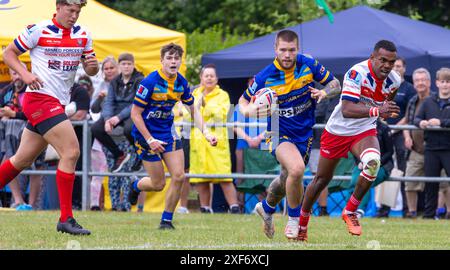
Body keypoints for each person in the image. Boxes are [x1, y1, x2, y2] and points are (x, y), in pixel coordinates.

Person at [0, 0, 99, 235]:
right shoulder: (39, 30)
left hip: (57, 103)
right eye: (70, 10)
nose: (74, 15)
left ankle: (65, 219)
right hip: (40, 100)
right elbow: (9, 53)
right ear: (58, 7)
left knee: (22, 160)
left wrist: (93, 67)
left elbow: (91, 69)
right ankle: (66, 219)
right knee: (71, 151)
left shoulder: (83, 35)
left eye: (78, 11)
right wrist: (24, 74)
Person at [239, 29, 341, 240]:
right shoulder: (266, 76)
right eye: (283, 50)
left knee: (288, 177)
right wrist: (251, 111)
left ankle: (267, 208)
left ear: (298, 49)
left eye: (291, 50)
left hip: (304, 132)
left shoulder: (308, 65)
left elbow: (335, 84)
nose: (287, 55)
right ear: (275, 49)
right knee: (297, 169)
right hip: (278, 131)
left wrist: (324, 92)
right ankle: (294, 220)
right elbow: (242, 103)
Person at [298, 40, 401, 241]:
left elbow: (387, 104)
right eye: (383, 60)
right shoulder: (356, 73)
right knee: (321, 180)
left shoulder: (394, 80)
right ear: (372, 58)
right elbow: (346, 110)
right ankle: (301, 223)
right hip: (338, 130)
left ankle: (351, 210)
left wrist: (385, 112)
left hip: (364, 130)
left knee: (373, 163)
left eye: (391, 62)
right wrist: (377, 110)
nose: (387, 65)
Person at [127, 43, 217, 229]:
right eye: (169, 58)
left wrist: (207, 133)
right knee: (158, 184)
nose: (173, 61)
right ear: (161, 61)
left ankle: (166, 220)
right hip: (146, 136)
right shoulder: (149, 82)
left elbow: (193, 109)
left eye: (177, 58)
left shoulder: (181, 83)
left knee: (179, 175)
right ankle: (135, 186)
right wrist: (150, 140)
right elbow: (135, 114)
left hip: (168, 133)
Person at [189, 64, 240, 214]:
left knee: (224, 177)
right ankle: (205, 208)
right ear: (201, 78)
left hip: (217, 142)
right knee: (202, 178)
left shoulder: (223, 95)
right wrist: (197, 107)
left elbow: (223, 114)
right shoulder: (194, 94)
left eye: (212, 76)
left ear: (217, 79)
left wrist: (205, 106)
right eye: (206, 75)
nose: (209, 78)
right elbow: (187, 115)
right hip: (198, 141)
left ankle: (234, 207)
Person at [0, 65, 46, 210]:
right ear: (11, 75)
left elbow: (39, 112)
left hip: (34, 131)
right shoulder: (6, 91)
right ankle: (19, 201)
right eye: (15, 73)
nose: (18, 76)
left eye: (20, 73)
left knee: (36, 166)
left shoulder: (35, 88)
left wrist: (14, 115)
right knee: (7, 162)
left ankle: (31, 204)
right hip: (9, 135)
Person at [91, 53, 144, 173]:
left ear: (133, 65)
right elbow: (109, 102)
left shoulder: (140, 80)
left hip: (134, 111)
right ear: (120, 66)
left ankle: (140, 154)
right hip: (116, 112)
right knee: (96, 129)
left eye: (129, 64)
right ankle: (119, 155)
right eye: (123, 64)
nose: (126, 67)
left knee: (129, 129)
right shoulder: (115, 81)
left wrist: (118, 117)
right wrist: (107, 119)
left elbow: (137, 103)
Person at [414, 67, 450, 219]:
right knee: (430, 184)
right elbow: (415, 119)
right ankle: (429, 215)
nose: (445, 85)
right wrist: (421, 122)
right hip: (431, 149)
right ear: (436, 83)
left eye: (448, 82)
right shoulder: (428, 101)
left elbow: (443, 122)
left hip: (448, 148)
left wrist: (441, 122)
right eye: (442, 81)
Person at [403, 68, 431, 218]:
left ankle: (442, 212)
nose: (420, 83)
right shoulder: (413, 101)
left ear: (429, 82)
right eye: (417, 80)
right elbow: (407, 122)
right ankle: (412, 212)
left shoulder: (435, 99)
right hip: (415, 150)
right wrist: (407, 136)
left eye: (423, 80)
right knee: (410, 182)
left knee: (442, 184)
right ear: (414, 84)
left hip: (434, 149)